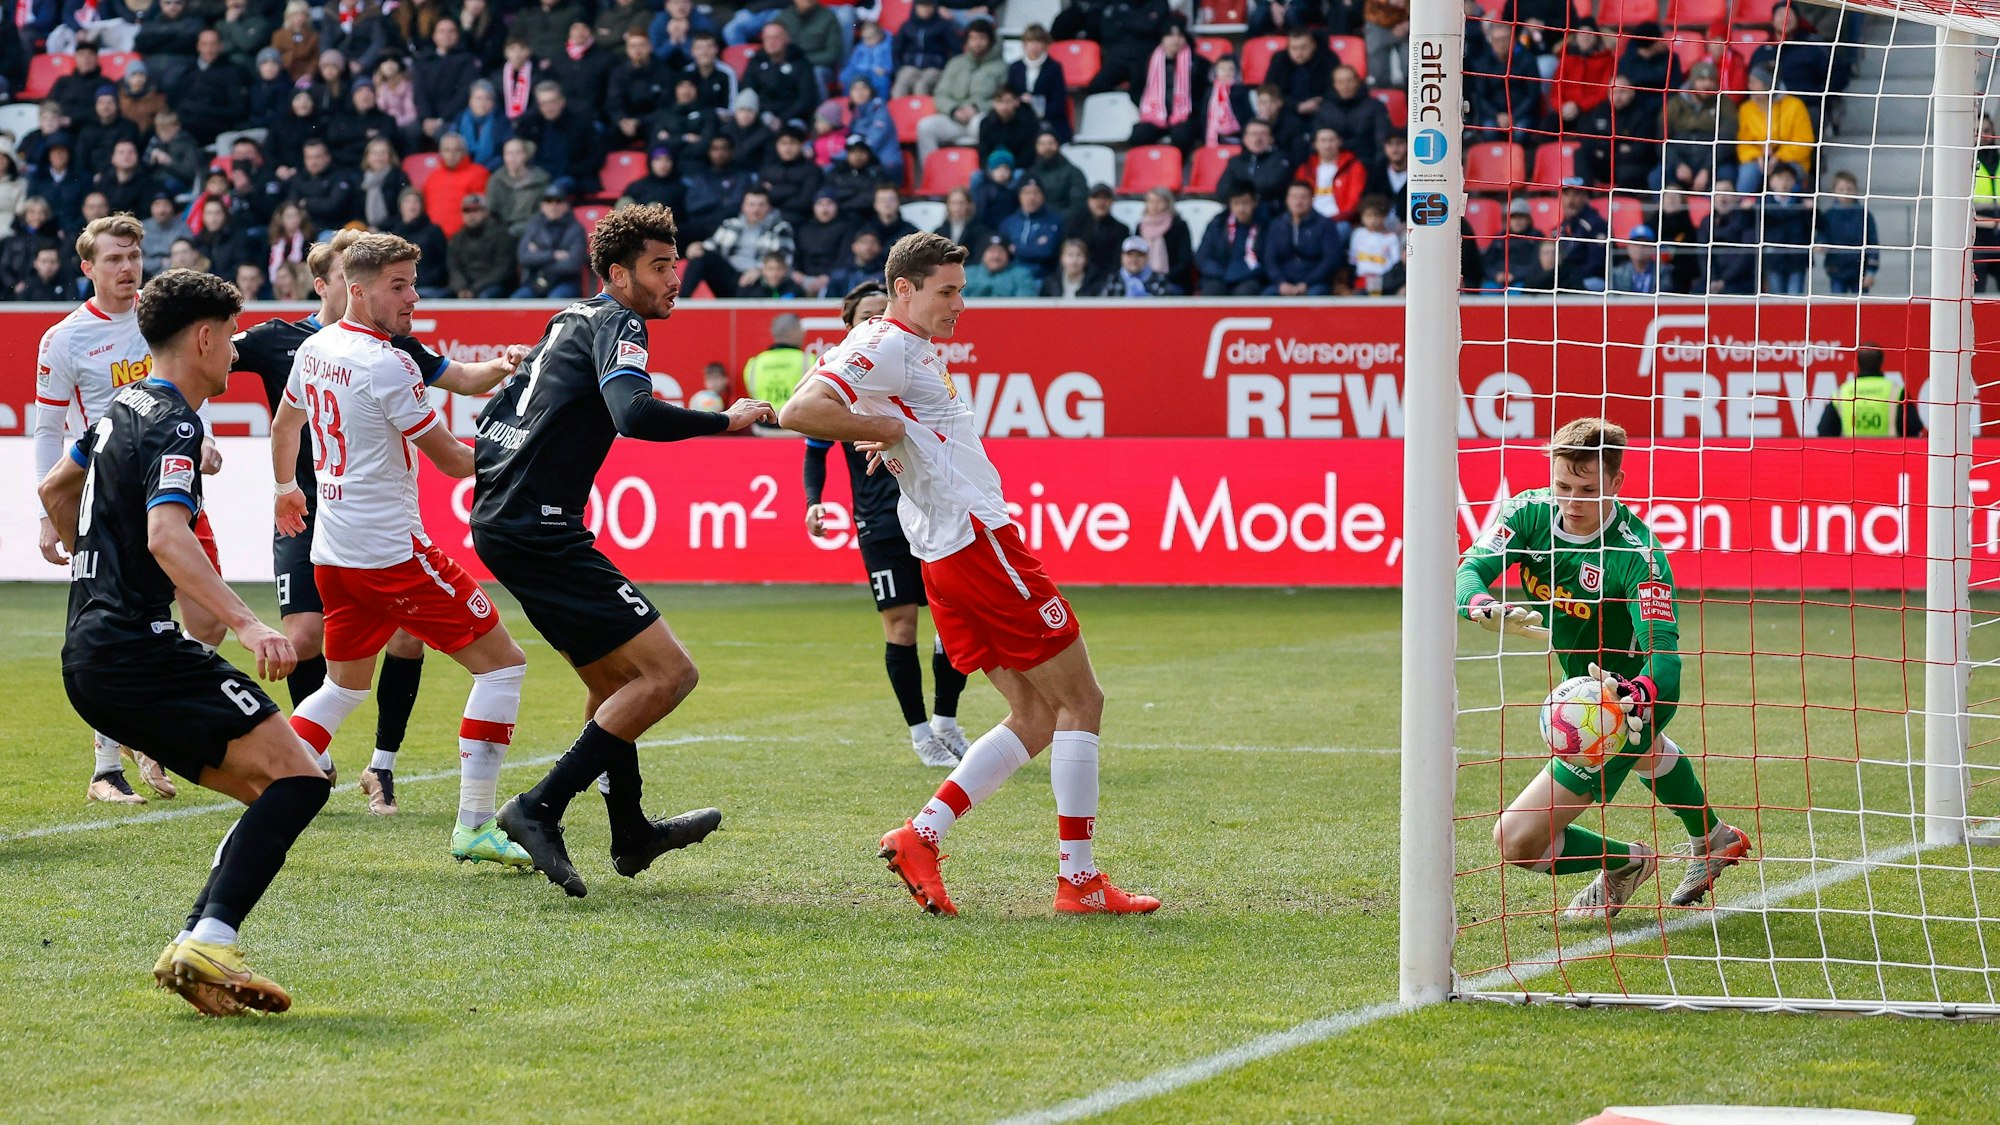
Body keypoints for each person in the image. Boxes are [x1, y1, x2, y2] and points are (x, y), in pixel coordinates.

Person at [779, 232, 1161, 917]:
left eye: (961, 290)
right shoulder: (888, 340)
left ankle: (921, 837)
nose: (959, 304)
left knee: (1036, 714)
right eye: (946, 291)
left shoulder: (909, 349)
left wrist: (893, 431)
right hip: (978, 544)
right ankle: (1079, 881)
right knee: (1083, 700)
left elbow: (901, 422)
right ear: (904, 289)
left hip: (947, 552)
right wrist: (884, 428)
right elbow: (800, 409)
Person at [38, 267, 327, 1017]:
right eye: (231, 336)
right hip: (138, 648)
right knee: (300, 779)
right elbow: (169, 535)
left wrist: (91, 560)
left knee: (277, 787)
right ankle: (208, 935)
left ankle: (197, 942)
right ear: (203, 337)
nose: (235, 351)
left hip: (92, 650)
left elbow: (53, 492)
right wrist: (246, 622)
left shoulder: (114, 409)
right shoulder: (172, 419)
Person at [475, 204, 770, 898]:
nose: (675, 279)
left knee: (616, 683)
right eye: (660, 266)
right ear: (618, 274)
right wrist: (725, 419)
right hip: (539, 526)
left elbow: (492, 425)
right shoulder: (618, 321)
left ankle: (630, 831)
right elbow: (633, 414)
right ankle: (538, 806)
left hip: (508, 521)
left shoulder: (566, 320)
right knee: (669, 674)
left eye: (676, 264)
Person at [231, 228, 527, 810]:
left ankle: (272, 783)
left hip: (333, 552)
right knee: (503, 669)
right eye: (400, 286)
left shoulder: (315, 349)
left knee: (341, 688)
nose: (414, 298)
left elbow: (285, 423)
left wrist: (287, 488)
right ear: (357, 291)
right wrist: (529, 449)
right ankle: (475, 823)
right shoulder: (388, 365)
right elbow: (454, 460)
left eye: (414, 284)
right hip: (391, 553)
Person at [1467, 417, 1751, 920]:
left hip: (1626, 709)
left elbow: (1665, 661)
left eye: (1587, 489)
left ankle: (1625, 863)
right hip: (1580, 690)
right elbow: (1470, 569)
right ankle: (1712, 837)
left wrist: (1637, 695)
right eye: (1562, 485)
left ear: (1617, 484)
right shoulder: (1528, 514)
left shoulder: (1638, 556)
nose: (1571, 502)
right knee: (1651, 757)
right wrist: (1481, 603)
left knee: (1516, 839)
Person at [36, 213, 223, 805]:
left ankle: (152, 733)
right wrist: (47, 509)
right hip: (110, 499)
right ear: (87, 267)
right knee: (110, 618)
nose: (127, 267)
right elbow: (46, 429)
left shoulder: (160, 318)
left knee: (208, 621)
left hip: (171, 484)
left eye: (134, 255)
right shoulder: (65, 339)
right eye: (114, 258)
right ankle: (106, 768)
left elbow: (189, 381)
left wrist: (205, 438)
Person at [801, 281, 973, 766]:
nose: (877, 322)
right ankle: (921, 735)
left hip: (932, 512)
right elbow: (814, 449)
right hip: (879, 520)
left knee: (950, 623)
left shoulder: (915, 365)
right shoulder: (837, 382)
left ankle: (947, 722)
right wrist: (814, 500)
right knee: (901, 627)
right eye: (866, 316)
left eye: (883, 313)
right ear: (850, 327)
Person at [916, 19, 1005, 164]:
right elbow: (940, 94)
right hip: (954, 117)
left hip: (982, 117)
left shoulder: (1001, 67)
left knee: (982, 125)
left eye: (982, 38)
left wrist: (976, 108)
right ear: (967, 40)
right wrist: (954, 110)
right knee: (925, 127)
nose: (977, 43)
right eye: (973, 38)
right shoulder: (955, 63)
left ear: (990, 40)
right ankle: (931, 173)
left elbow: (1003, 100)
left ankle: (982, 172)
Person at [682, 185, 795, 298]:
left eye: (761, 205)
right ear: (743, 206)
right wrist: (696, 247)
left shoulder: (780, 228)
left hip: (758, 281)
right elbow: (710, 247)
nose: (756, 210)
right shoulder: (730, 224)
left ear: (769, 207)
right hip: (730, 277)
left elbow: (784, 260)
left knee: (763, 279)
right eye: (751, 205)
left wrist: (759, 270)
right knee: (700, 257)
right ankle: (681, 302)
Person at [1816, 345, 1924, 438]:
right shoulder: (1896, 391)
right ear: (1882, 361)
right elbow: (1913, 429)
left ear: (1857, 362)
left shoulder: (1842, 392)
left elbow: (1825, 431)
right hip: (1890, 456)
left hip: (1851, 457)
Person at [1263, 181, 1340, 295]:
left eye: (1303, 197)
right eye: (1294, 197)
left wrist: (1306, 283)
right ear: (1287, 200)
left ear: (1312, 199)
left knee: (1316, 296)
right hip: (1283, 283)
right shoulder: (1277, 225)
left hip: (1315, 283)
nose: (1298, 202)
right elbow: (1270, 258)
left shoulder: (1325, 224)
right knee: (1267, 297)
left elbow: (1330, 259)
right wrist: (1281, 282)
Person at [514, 188, 588, 299]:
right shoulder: (533, 226)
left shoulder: (576, 229)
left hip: (565, 282)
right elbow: (523, 257)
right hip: (535, 282)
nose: (553, 206)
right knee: (517, 299)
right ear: (542, 205)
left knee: (555, 298)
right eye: (548, 201)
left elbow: (573, 264)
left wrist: (539, 256)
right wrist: (553, 255)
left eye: (558, 202)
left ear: (566, 206)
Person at [1006, 24, 1070, 143]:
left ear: (1045, 44)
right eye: (1030, 41)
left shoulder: (1054, 68)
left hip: (1048, 119)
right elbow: (1009, 94)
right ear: (1024, 44)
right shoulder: (1015, 68)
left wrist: (1037, 106)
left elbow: (1059, 101)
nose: (1034, 46)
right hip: (1020, 119)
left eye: (1038, 41)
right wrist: (1019, 100)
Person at [1194, 188, 1265, 296]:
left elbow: (1269, 260)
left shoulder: (1265, 226)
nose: (1241, 209)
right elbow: (1203, 257)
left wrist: (1240, 274)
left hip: (1250, 278)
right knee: (1212, 291)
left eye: (1245, 203)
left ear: (1254, 203)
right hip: (1219, 276)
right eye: (1236, 203)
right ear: (1230, 205)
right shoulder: (1218, 224)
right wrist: (1222, 273)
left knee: (1247, 292)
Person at [1818, 169, 1879, 296]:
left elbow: (1873, 243)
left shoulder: (1865, 215)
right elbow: (1823, 236)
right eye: (1841, 190)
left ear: (1856, 191)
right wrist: (1820, 244)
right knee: (1837, 309)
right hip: (1837, 269)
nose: (1846, 193)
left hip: (1859, 270)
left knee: (1861, 309)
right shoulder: (1829, 215)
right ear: (1834, 191)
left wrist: (1871, 272)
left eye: (1849, 189)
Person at [743, 313, 809, 424]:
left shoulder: (754, 363)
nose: (803, 333)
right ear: (792, 332)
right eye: (800, 329)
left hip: (763, 428)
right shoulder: (809, 360)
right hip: (798, 426)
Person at [450, 193, 518, 298]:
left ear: (486, 212)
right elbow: (454, 268)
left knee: (484, 296)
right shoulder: (457, 238)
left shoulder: (501, 235)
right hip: (466, 287)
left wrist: (475, 289)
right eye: (467, 211)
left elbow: (503, 270)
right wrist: (461, 288)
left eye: (476, 210)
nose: (471, 215)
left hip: (494, 286)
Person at [891, 0, 957, 98]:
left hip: (934, 67)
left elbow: (956, 48)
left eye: (928, 6)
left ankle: (922, 113)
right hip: (910, 66)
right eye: (922, 6)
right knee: (900, 85)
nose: (925, 10)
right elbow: (896, 49)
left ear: (934, 8)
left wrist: (947, 67)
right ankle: (899, 112)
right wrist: (898, 67)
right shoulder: (907, 26)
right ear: (916, 7)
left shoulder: (944, 26)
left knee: (921, 86)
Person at [1346, 195, 1401, 294]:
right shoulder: (1358, 234)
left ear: (1384, 217)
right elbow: (1352, 259)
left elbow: (1395, 262)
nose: (1372, 220)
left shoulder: (1391, 237)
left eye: (1376, 216)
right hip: (1361, 280)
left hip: (1384, 282)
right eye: (1368, 216)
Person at [1095, 234, 1180, 297]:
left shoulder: (1159, 281)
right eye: (1130, 255)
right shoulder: (1112, 280)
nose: (1134, 259)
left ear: (1147, 257)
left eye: (1139, 255)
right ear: (1122, 257)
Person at [963, 234, 1038, 296]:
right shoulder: (967, 274)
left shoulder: (1021, 275)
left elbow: (1025, 305)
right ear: (982, 254)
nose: (996, 256)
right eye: (992, 251)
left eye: (1001, 251)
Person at [1608, 224, 1661, 294]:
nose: (1640, 248)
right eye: (1636, 244)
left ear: (1653, 248)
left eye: (1645, 245)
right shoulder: (1618, 273)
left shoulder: (1662, 272)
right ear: (1628, 247)